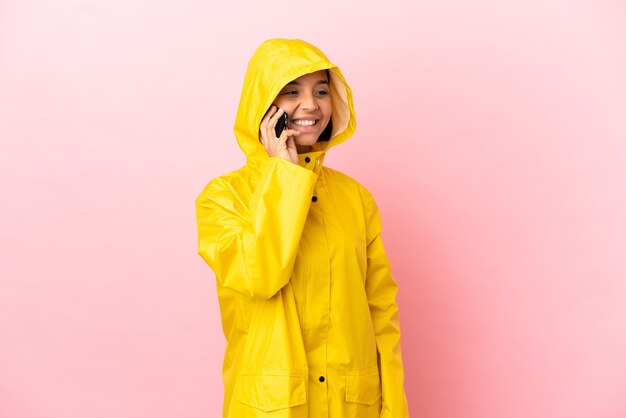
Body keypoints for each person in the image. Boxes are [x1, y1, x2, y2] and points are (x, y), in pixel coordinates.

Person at [195, 38, 409, 418]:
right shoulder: (223, 198)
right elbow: (261, 275)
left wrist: (394, 409)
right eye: (292, 91)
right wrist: (285, 175)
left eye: (322, 91)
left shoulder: (355, 199)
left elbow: (382, 315)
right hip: (270, 408)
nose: (311, 105)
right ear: (262, 104)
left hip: (352, 406)